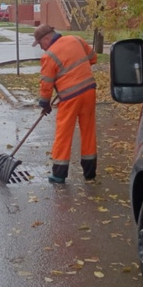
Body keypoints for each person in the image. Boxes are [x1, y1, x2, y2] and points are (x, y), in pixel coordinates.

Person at [33, 24, 98, 184]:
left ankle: (59, 174)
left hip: (70, 97)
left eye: (40, 44)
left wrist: (45, 103)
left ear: (46, 39)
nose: (41, 48)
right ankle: (89, 173)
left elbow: (46, 84)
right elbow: (93, 58)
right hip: (89, 91)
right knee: (88, 131)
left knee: (64, 134)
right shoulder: (76, 39)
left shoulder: (49, 56)